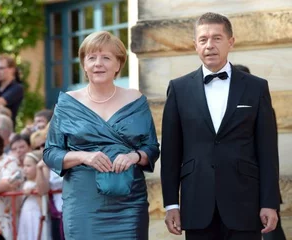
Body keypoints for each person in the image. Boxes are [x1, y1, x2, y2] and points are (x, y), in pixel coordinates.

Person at [160, 12, 280, 240]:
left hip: (245, 203)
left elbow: (267, 152)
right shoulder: (178, 89)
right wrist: (170, 205)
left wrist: (269, 203)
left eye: (217, 38)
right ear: (195, 45)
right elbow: (170, 153)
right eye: (203, 39)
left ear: (231, 42)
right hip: (196, 203)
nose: (210, 45)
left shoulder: (256, 88)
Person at [43, 31, 160, 240]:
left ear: (118, 64)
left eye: (106, 57)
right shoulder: (68, 103)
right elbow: (51, 152)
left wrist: (135, 156)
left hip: (129, 204)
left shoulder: (136, 99)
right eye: (92, 58)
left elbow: (151, 147)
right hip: (83, 206)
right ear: (84, 65)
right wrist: (84, 156)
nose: (98, 63)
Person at [234, 64, 286, 240]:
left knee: (270, 231)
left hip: (257, 182)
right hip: (241, 185)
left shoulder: (259, 107)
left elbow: (268, 150)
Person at [18, 150, 49, 240]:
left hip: (36, 217)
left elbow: (44, 208)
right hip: (25, 218)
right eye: (24, 165)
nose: (25, 169)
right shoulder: (24, 184)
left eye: (28, 166)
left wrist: (34, 193)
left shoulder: (40, 186)